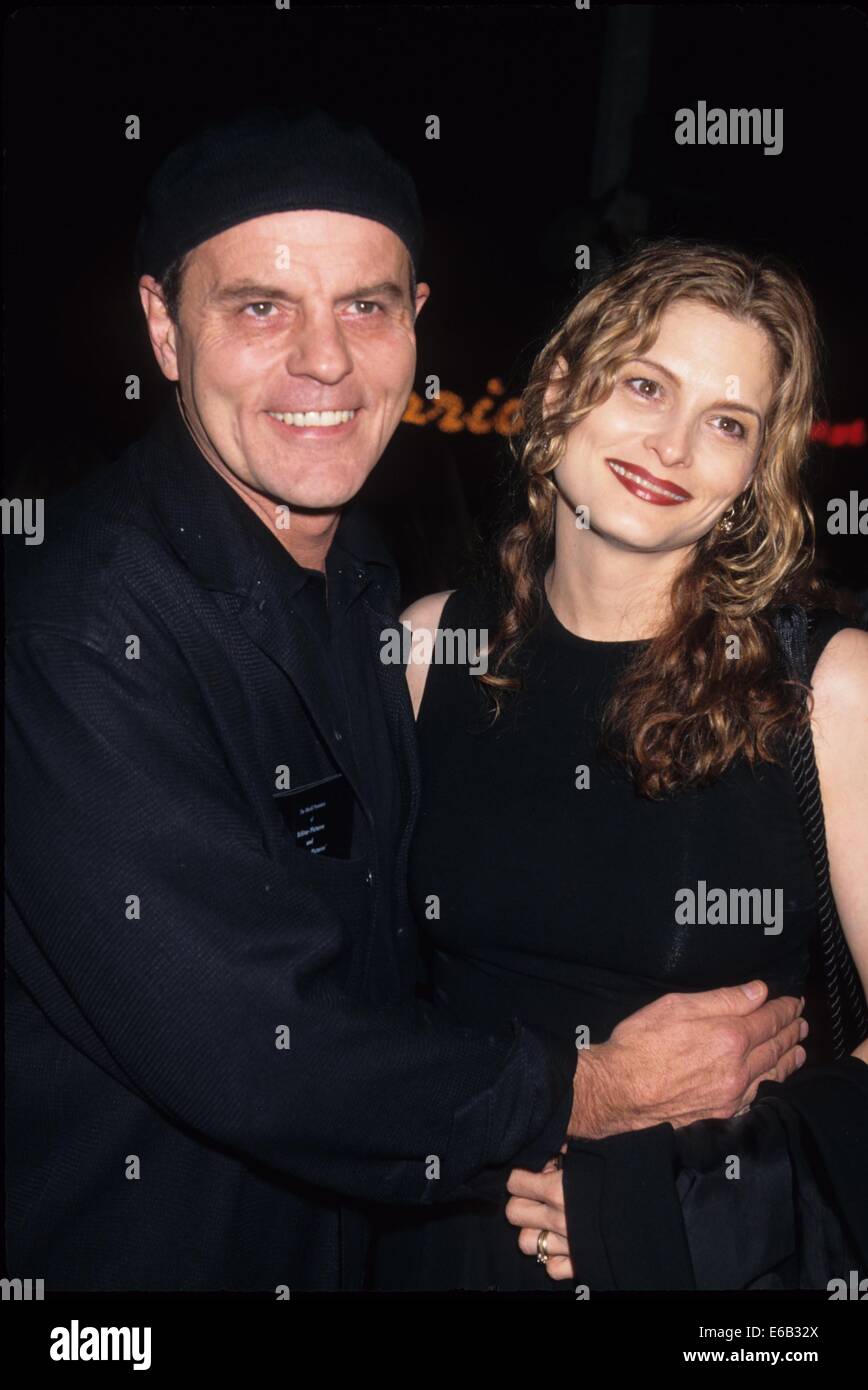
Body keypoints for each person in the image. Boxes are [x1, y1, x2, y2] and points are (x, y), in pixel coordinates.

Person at [5, 112, 806, 1293]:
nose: (323, 362)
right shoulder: (82, 632)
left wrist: (716, 1211)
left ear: (414, 325)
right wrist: (590, 1088)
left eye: (365, 306)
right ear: (165, 329)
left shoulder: (372, 593)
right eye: (260, 306)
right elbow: (254, 1047)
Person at [374, 238, 868, 1291]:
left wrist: (691, 1200)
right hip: (428, 1251)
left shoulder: (826, 687)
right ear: (559, 389)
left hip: (686, 1267)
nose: (673, 444)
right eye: (645, 384)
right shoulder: (425, 651)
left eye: (726, 423)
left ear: (750, 477)